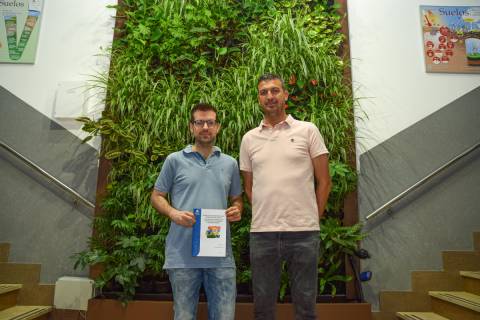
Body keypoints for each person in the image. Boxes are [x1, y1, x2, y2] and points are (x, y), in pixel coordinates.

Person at [239, 74, 331, 320]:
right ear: (259, 98)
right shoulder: (249, 139)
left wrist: (313, 217)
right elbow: (249, 187)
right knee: (263, 309)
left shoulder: (307, 130)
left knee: (305, 309)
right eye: (264, 92)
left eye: (275, 91)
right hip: (262, 233)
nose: (270, 96)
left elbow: (324, 181)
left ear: (285, 95)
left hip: (303, 232)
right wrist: (265, 213)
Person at [151, 103, 243, 320]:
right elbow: (156, 196)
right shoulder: (174, 160)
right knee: (183, 316)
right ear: (191, 127)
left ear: (217, 127)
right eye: (199, 122)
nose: (205, 127)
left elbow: (237, 199)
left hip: (220, 257)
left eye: (210, 122)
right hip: (182, 257)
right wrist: (173, 213)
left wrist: (237, 210)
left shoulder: (230, 163)